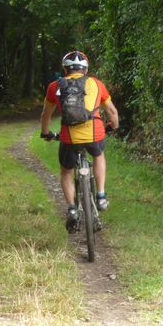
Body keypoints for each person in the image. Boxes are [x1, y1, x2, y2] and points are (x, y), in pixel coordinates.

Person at [40, 50, 119, 232]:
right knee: (98, 155)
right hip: (94, 134)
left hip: (69, 137)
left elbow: (46, 114)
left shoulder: (55, 87)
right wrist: (113, 126)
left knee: (66, 172)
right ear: (86, 69)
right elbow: (112, 113)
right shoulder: (97, 84)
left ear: (65, 69)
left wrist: (46, 133)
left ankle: (72, 210)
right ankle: (100, 195)